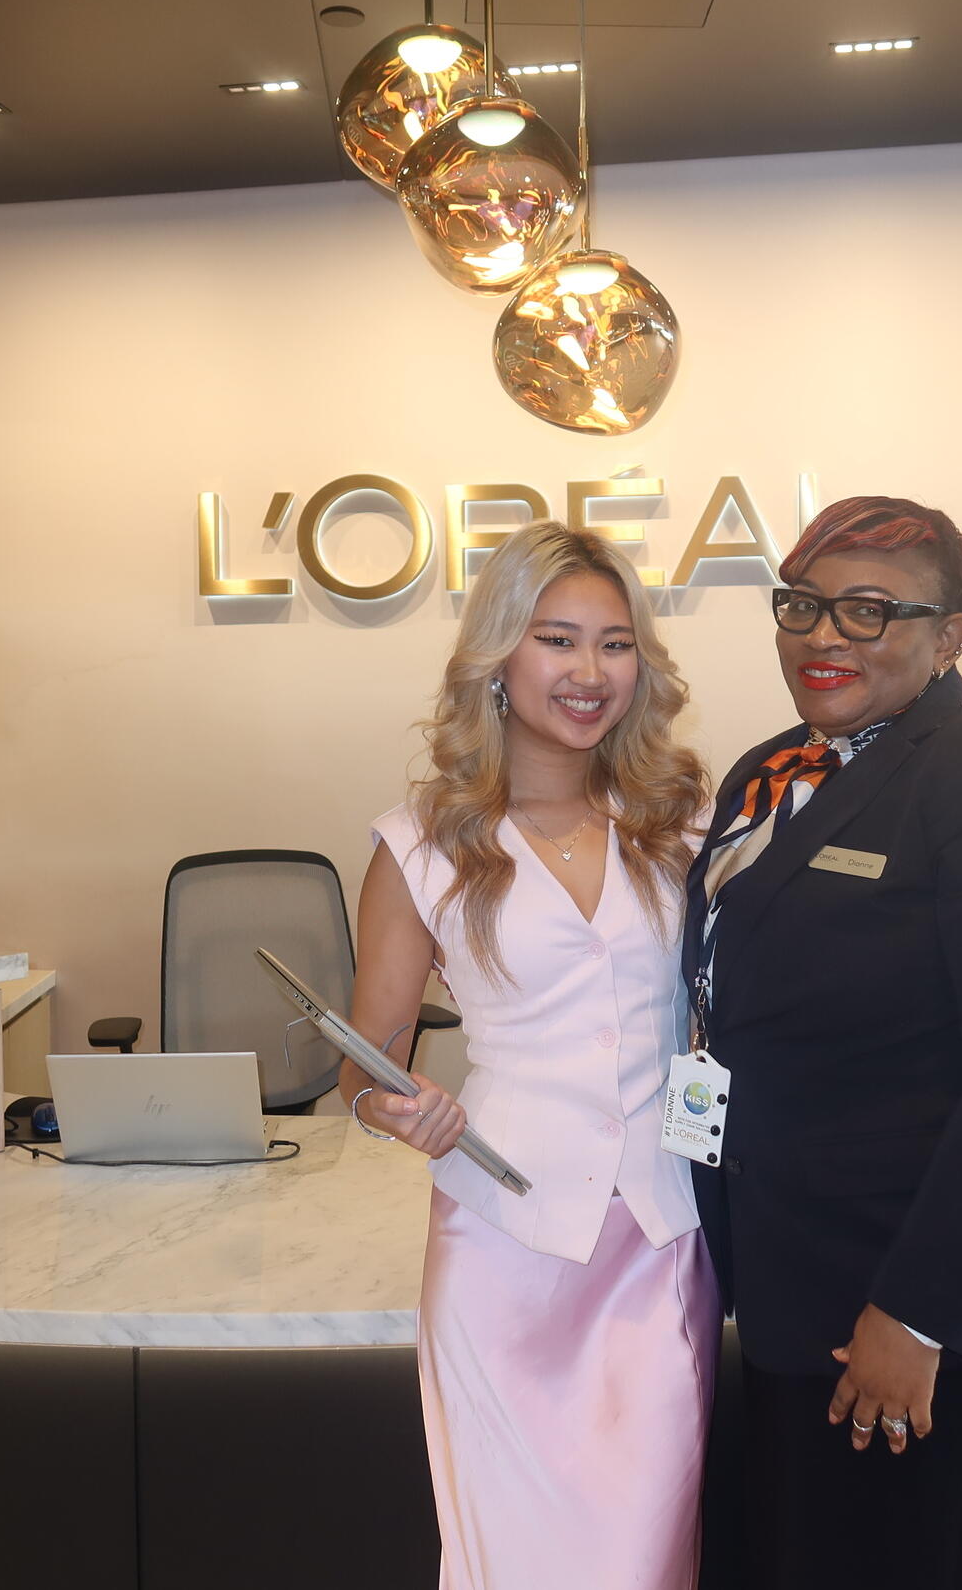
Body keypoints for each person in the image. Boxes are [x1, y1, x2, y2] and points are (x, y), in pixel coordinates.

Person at [686, 496, 962, 1589]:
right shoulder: (767, 771)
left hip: (916, 1280)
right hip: (793, 1255)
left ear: (951, 636)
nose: (825, 634)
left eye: (870, 610)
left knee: (926, 1556)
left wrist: (920, 1312)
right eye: (803, 604)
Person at [344, 521, 717, 1590]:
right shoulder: (420, 842)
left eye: (615, 642)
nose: (589, 670)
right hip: (502, 1248)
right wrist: (395, 1106)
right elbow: (363, 1065)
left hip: (660, 1236)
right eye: (557, 639)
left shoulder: (681, 822)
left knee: (645, 1558)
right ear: (498, 655)